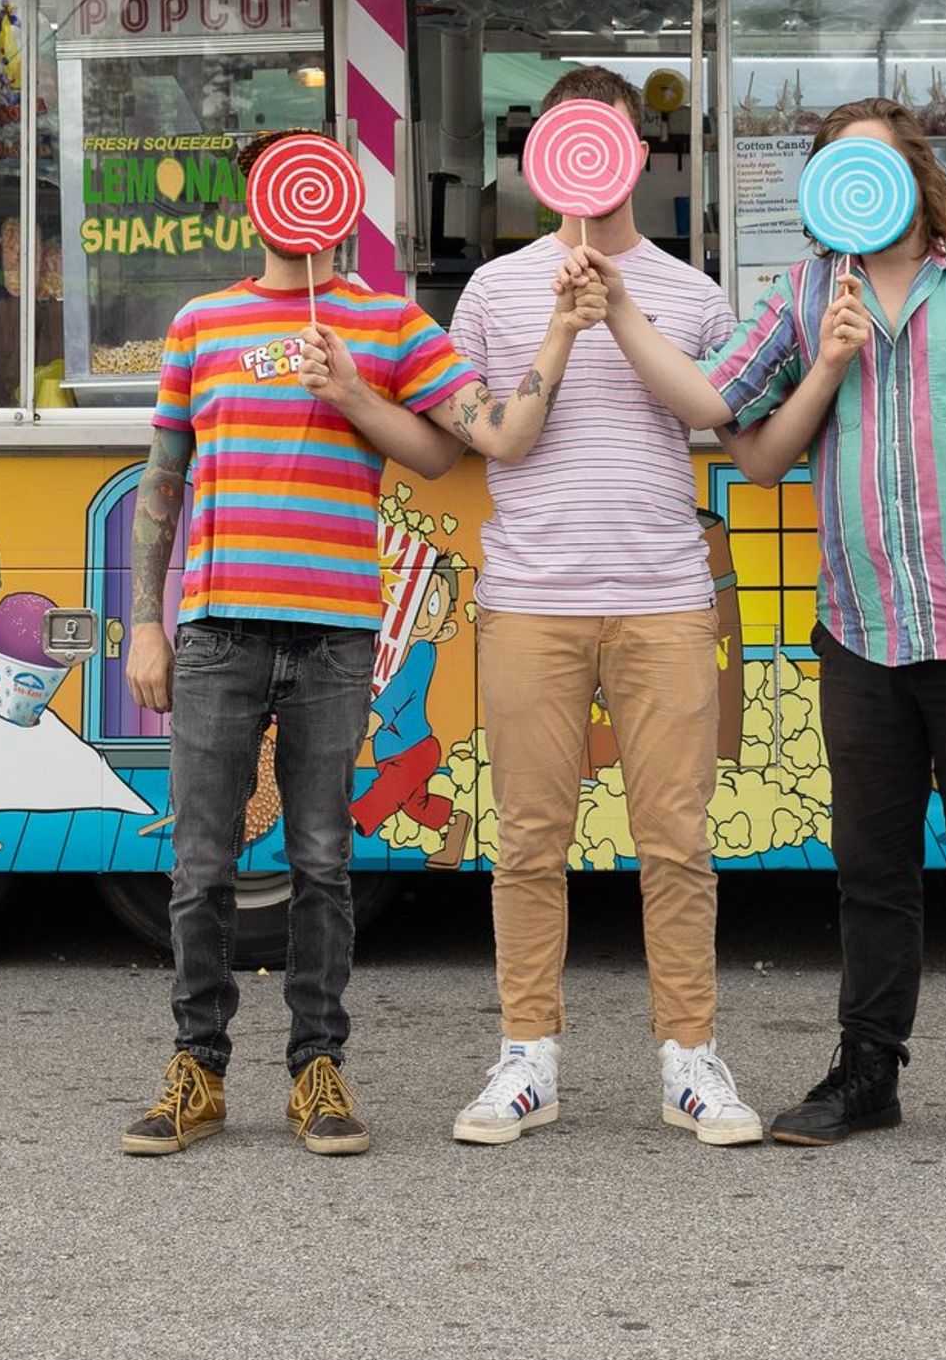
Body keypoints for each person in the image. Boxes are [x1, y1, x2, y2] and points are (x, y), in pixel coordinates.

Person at [599, 97, 946, 1161]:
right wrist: (619, 310)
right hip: (861, 628)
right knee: (871, 868)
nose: (860, 184)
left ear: (917, 171)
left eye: (874, 163)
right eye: (838, 166)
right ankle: (868, 1069)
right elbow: (720, 416)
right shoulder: (804, 295)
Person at [116, 135, 599, 1159]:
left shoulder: (387, 322)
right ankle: (197, 1066)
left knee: (323, 863)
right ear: (259, 201)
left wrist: (358, 393)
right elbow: (162, 479)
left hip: (336, 632)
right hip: (217, 627)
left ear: (339, 203)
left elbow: (460, 445)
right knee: (200, 864)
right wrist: (146, 622)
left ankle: (318, 1068)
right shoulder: (201, 322)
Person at [443, 66, 766, 1150]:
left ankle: (690, 1057)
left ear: (641, 149)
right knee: (528, 839)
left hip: (664, 595)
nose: (596, 158)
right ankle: (527, 1055)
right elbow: (496, 438)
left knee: (676, 839)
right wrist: (559, 326)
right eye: (574, 136)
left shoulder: (693, 292)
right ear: (543, 154)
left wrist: (618, 309)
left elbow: (715, 414)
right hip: (530, 596)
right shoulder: (494, 289)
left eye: (613, 135)